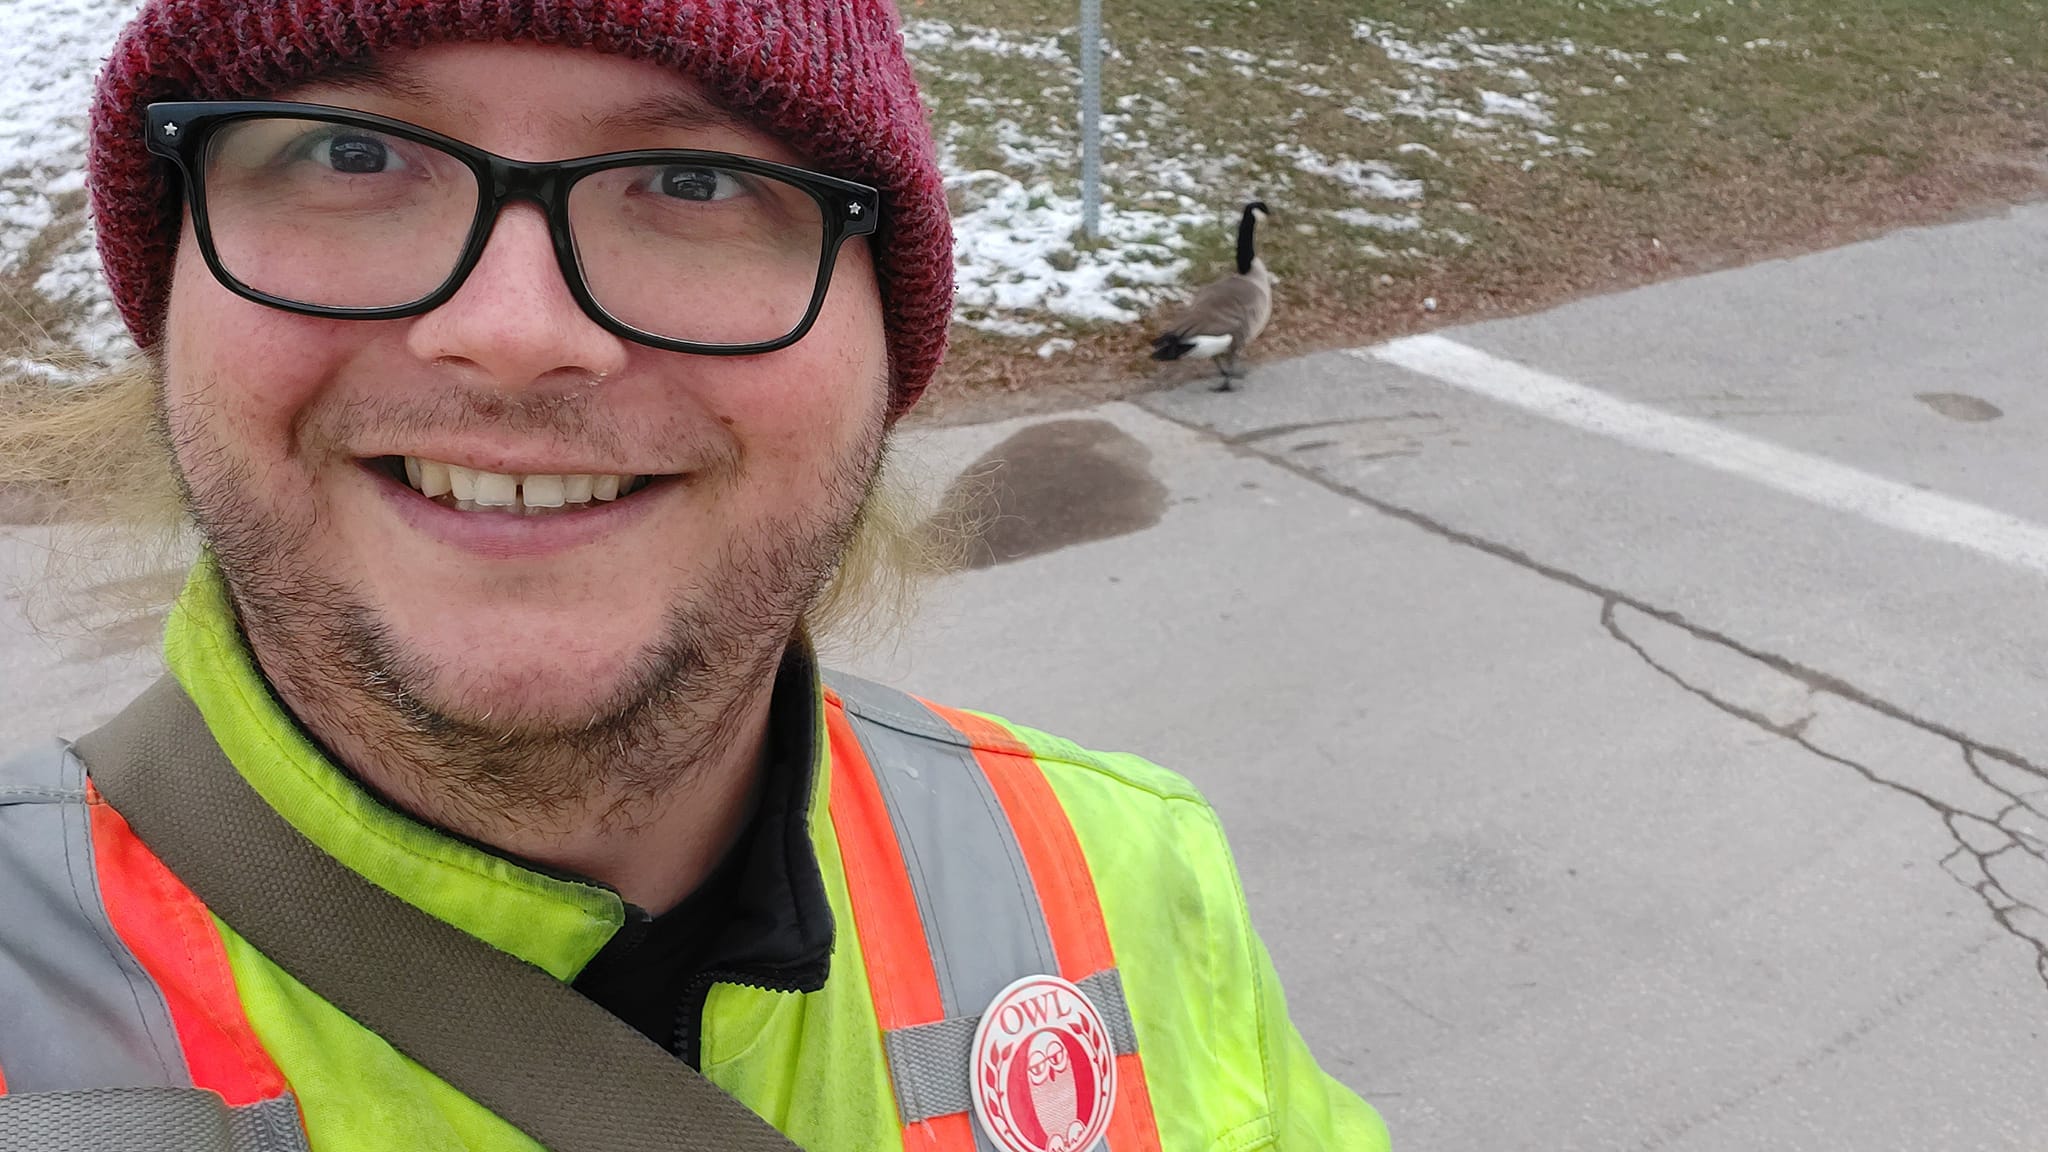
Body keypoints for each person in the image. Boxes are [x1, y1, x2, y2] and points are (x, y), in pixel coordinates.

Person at [0, 1, 1391, 1149]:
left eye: (695, 181)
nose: (512, 330)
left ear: (880, 358)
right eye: (352, 158)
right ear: (170, 293)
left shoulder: (1128, 881)